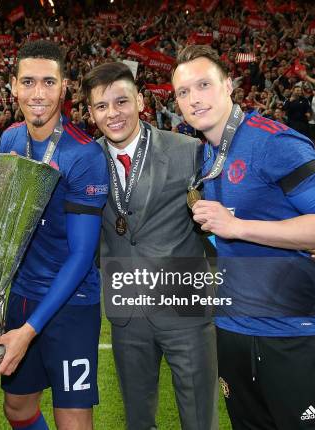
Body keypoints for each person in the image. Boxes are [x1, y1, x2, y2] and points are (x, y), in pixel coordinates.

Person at [172, 45, 315, 430]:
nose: (193, 99)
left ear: (229, 86)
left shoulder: (273, 142)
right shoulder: (206, 156)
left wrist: (237, 227)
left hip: (288, 331)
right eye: (183, 92)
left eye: (203, 85)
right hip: (231, 332)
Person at [82, 61, 217, 430]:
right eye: (102, 106)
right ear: (91, 112)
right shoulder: (85, 160)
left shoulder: (189, 150)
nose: (113, 114)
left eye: (121, 101)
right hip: (127, 312)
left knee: (199, 418)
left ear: (140, 100)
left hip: (184, 307)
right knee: (138, 419)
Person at [0, 40, 109, 430]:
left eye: (48, 82)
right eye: (28, 82)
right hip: (21, 296)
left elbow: (82, 255)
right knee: (17, 409)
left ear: (64, 87)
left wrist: (29, 331)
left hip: (71, 303)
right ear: (13, 87)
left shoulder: (84, 155)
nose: (38, 93)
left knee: (73, 421)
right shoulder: (9, 140)